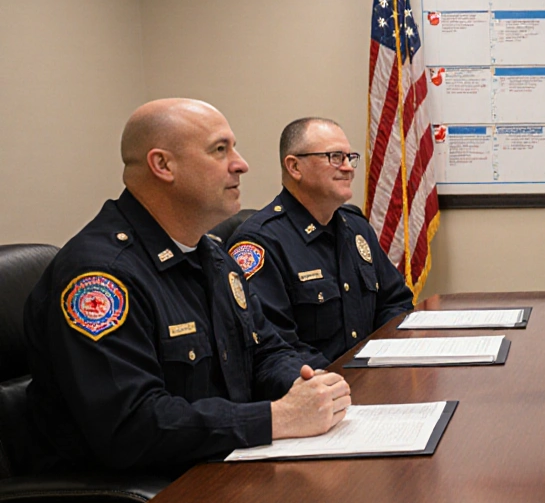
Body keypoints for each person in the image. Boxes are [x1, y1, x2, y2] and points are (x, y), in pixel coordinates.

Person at [25, 99, 351, 473]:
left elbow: (265, 351)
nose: (241, 164)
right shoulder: (100, 278)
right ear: (163, 165)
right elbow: (132, 426)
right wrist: (277, 417)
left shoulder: (211, 256)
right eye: (219, 149)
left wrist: (310, 384)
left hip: (216, 468)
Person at [228, 117, 413, 368]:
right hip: (317, 390)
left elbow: (395, 301)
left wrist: (384, 354)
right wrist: (344, 380)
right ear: (294, 167)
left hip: (373, 377)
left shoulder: (355, 226)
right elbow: (276, 346)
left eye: (349, 157)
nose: (348, 167)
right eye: (335, 157)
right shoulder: (261, 242)